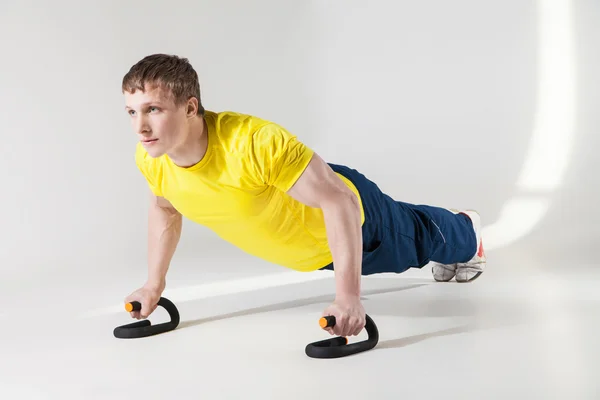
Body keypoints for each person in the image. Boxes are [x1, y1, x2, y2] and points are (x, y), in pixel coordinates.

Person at [122, 54, 487, 338]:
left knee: (420, 239)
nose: (140, 127)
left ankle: (467, 231)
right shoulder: (152, 157)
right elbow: (165, 207)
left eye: (153, 109)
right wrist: (154, 285)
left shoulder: (252, 143)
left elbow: (339, 201)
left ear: (189, 107)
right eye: (132, 112)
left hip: (354, 219)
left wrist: (347, 297)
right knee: (410, 227)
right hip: (314, 245)